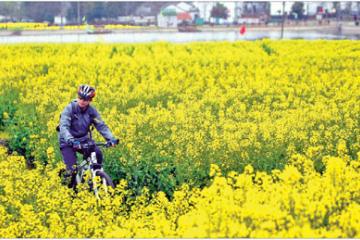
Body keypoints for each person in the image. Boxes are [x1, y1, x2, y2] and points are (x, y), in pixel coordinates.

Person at [58, 84, 118, 182]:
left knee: (98, 153)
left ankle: (94, 178)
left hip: (83, 139)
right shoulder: (70, 109)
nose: (82, 101)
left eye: (85, 99)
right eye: (80, 98)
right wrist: (70, 140)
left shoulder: (91, 111)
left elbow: (101, 125)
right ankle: (70, 189)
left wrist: (111, 139)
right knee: (72, 169)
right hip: (67, 141)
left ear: (90, 100)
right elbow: (64, 127)